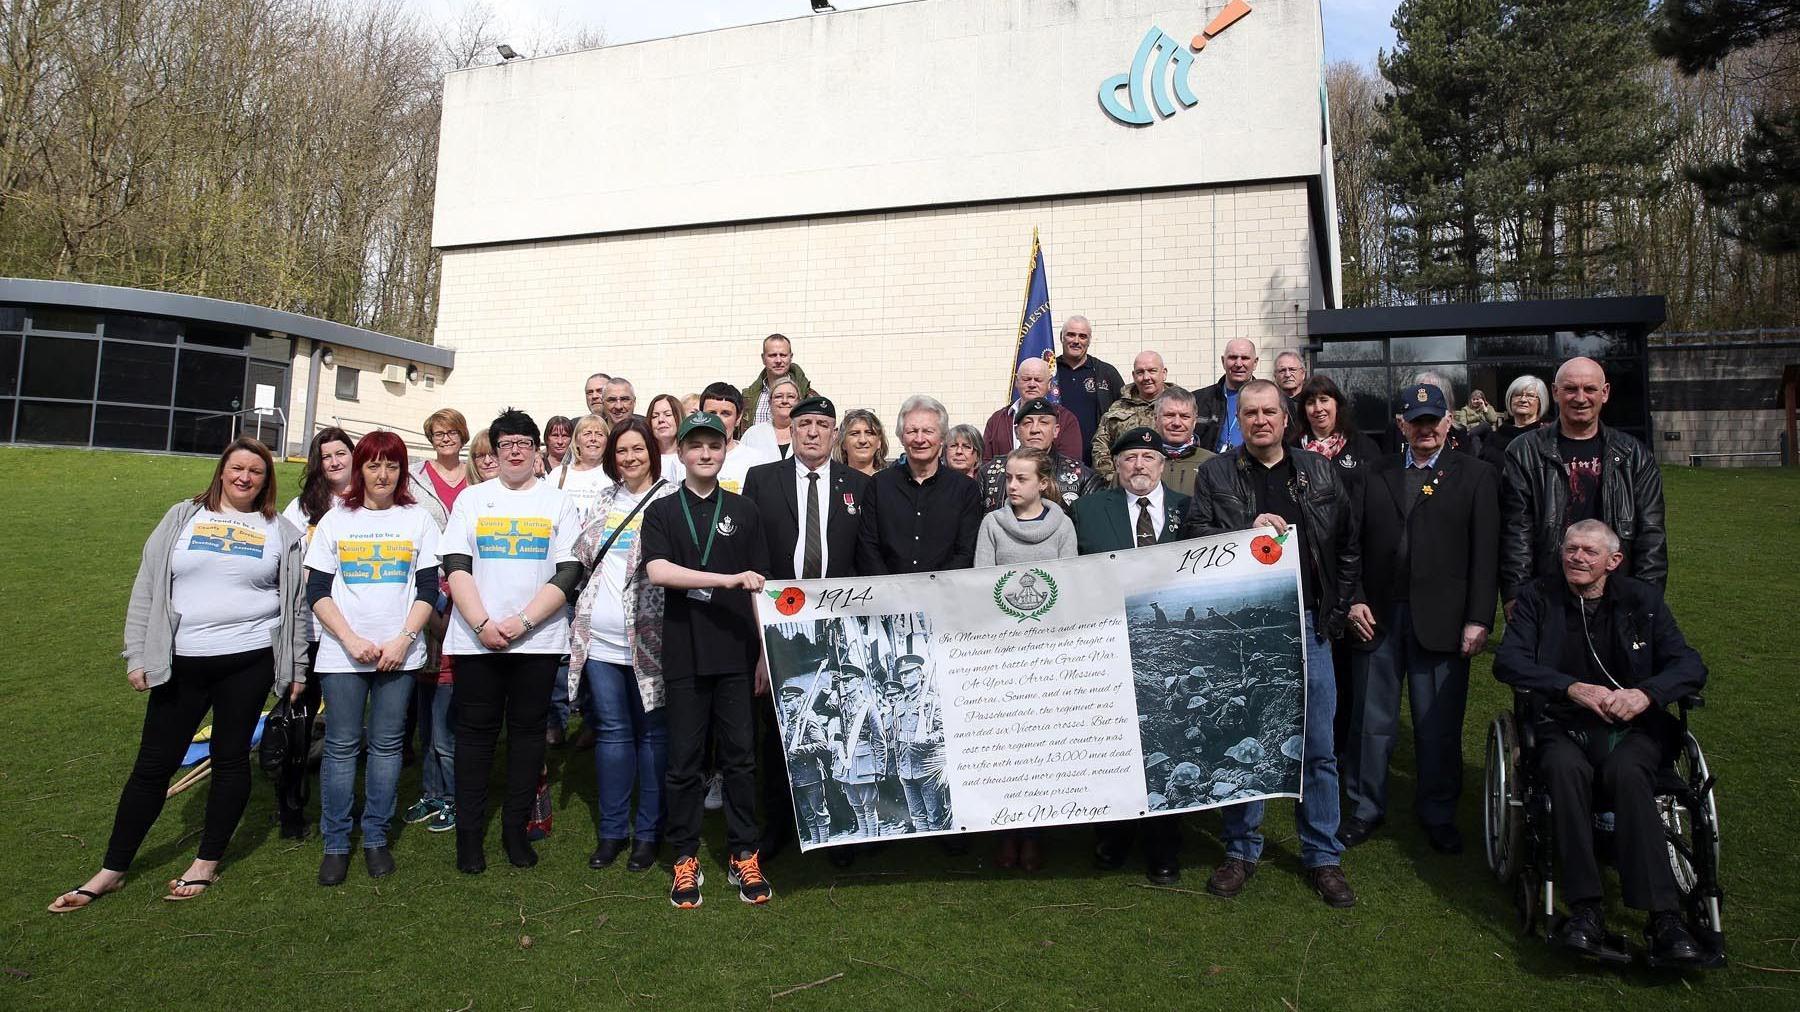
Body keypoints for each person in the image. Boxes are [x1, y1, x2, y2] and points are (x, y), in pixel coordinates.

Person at [50, 439, 309, 912]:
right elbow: (148, 585)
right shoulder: (183, 516)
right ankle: (113, 868)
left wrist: (295, 667)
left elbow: (295, 605)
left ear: (267, 480)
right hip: (181, 661)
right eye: (237, 468)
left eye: (256, 471)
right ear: (222, 471)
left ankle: (206, 862)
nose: (245, 477)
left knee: (231, 759)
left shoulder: (282, 531)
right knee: (153, 765)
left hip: (249, 660)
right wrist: (136, 655)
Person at [1493, 520, 1709, 966]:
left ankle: (1664, 917)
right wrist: (1570, 687)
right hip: (1563, 722)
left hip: (1633, 728)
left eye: (1590, 552)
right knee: (1563, 771)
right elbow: (1509, 661)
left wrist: (1645, 694)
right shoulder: (1539, 598)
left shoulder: (1642, 601)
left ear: (1613, 561)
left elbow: (1689, 664)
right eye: (1571, 549)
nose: (1577, 558)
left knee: (1628, 773)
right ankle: (1586, 911)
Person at [1180, 380, 1360, 909]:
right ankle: (1241, 849)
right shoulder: (1215, 474)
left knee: (1318, 745)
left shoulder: (1319, 471)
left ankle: (1323, 855)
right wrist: (1244, 527)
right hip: (1249, 626)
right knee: (1245, 730)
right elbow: (1193, 540)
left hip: (1308, 623)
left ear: (1286, 419)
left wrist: (1336, 608)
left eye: (1269, 412)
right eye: (1250, 413)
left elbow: (1348, 545)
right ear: (1240, 420)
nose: (1260, 420)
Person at [1339, 384, 1499, 855]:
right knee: (1370, 723)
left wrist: (1478, 619)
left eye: (1434, 420)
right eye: (1416, 421)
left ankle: (1437, 813)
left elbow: (1485, 556)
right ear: (1401, 425)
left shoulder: (1477, 475)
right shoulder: (1374, 472)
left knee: (1438, 725)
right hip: (1378, 618)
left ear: (1449, 423)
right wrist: (1356, 599)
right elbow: (1350, 544)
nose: (1425, 429)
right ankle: (1365, 809)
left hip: (1444, 621)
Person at [440, 408, 583, 874]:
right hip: (476, 641)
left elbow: (568, 571)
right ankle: (469, 838)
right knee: (475, 739)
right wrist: (483, 624)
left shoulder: (556, 503)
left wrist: (521, 622)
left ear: (537, 450)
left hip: (536, 642)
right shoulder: (472, 501)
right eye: (506, 444)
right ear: (494, 453)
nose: (515, 451)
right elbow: (456, 566)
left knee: (527, 739)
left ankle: (514, 831)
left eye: (524, 442)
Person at [641, 411, 774, 908]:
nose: (704, 454)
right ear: (680, 452)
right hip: (684, 651)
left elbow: (760, 586)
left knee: (741, 759)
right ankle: (684, 857)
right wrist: (725, 579)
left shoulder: (746, 509)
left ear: (724, 451)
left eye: (713, 446)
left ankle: (744, 853)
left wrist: (763, 654)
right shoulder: (663, 512)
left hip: (737, 650)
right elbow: (658, 572)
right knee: (684, 763)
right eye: (695, 445)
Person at [742, 395, 882, 860]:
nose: (813, 433)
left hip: (838, 621)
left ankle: (839, 828)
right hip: (780, 625)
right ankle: (777, 824)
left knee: (838, 727)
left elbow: (865, 561)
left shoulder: (857, 485)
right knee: (779, 731)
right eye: (805, 424)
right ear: (792, 429)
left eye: (823, 425)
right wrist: (761, 640)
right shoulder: (762, 480)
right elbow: (751, 557)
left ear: (834, 432)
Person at [304, 431, 441, 885]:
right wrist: (349, 639)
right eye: (373, 465)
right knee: (341, 748)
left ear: (402, 471)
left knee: (386, 748)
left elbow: (426, 591)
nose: (382, 475)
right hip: (344, 655)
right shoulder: (335, 521)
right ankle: (337, 842)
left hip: (398, 654)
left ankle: (377, 836)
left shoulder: (418, 520)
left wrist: (403, 640)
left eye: (392, 466)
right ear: (359, 469)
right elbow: (317, 590)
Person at [1070, 427, 1190, 883]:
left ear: (1163, 465)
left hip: (1167, 649)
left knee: (1165, 740)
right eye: (1129, 458)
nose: (1139, 465)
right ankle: (1112, 835)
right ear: (1115, 467)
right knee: (1111, 741)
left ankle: (1164, 846)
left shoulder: (1189, 510)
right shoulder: (1086, 511)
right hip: (1105, 645)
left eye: (1147, 457)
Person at [568, 417, 677, 874]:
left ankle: (648, 835)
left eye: (638, 449)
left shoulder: (673, 498)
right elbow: (582, 556)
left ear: (652, 451)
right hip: (601, 639)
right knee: (612, 734)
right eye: (621, 451)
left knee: (652, 735)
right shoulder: (604, 499)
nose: (630, 458)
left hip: (652, 638)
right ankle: (612, 832)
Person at [973, 446, 1076, 868]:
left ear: (1043, 483)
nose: (1011, 486)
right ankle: (1005, 831)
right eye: (1008, 479)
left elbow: (1071, 585)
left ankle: (1035, 832)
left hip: (1047, 652)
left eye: (1021, 479)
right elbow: (980, 584)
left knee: (1039, 746)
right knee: (1003, 746)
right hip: (1002, 651)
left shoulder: (1063, 526)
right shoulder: (991, 524)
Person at [1500, 357, 1666, 613]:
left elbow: (1651, 534)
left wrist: (1647, 596)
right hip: (1548, 594)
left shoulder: (1635, 456)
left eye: (1589, 389)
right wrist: (1516, 595)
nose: (1580, 398)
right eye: (1570, 389)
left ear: (1605, 393)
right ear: (1555, 392)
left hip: (1616, 593)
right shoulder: (1524, 452)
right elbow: (1516, 531)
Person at [274, 427, 355, 838]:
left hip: (348, 636)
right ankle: (290, 808)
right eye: (327, 456)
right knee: (298, 724)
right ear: (317, 463)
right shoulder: (301, 508)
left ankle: (339, 807)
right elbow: (287, 568)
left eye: (342, 453)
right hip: (308, 633)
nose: (336, 461)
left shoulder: (368, 504)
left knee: (344, 728)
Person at [405, 409, 469, 836]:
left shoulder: (479, 477)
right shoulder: (413, 477)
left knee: (448, 708)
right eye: (437, 433)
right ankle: (431, 790)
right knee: (426, 705)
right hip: (424, 589)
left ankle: (453, 796)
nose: (445, 439)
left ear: (463, 435)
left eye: (452, 432)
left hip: (464, 593)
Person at [865, 396, 982, 574]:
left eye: (928, 431)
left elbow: (965, 551)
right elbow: (869, 547)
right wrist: (890, 588)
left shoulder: (966, 490)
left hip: (944, 595)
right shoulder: (878, 485)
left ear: (942, 437)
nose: (919, 439)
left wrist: (933, 588)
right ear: (901, 437)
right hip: (888, 595)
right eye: (912, 431)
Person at [977, 397, 1104, 513]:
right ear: (1016, 431)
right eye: (1027, 423)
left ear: (1056, 430)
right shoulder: (989, 474)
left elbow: (1090, 529)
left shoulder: (1084, 478)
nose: (1035, 430)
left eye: (1044, 423)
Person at [1053, 315, 1125, 464]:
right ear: (1061, 337)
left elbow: (1125, 412)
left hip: (1097, 463)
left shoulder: (1106, 373)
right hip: (1054, 460)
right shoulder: (1049, 372)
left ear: (1089, 340)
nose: (1076, 341)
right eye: (1071, 335)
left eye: (1082, 336)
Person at [981, 356, 1084, 460]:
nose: (1032, 384)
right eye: (1027, 379)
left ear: (1049, 384)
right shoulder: (997, 420)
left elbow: (1071, 463)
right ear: (1016, 382)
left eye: (1038, 380)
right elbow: (986, 461)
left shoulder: (1066, 419)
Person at [1091, 351, 1169, 481]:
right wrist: (1112, 478)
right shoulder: (1118, 407)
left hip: (1167, 483)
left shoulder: (1178, 405)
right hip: (1124, 485)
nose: (1146, 377)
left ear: (1164, 373)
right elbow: (1100, 445)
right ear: (1134, 375)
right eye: (1140, 372)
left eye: (1152, 371)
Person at [1296, 375, 1383, 477]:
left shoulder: (1363, 445)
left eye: (1324, 400)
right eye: (1310, 403)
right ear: (1304, 410)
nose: (1318, 408)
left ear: (1337, 404)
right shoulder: (1293, 449)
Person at [698, 381, 776, 494]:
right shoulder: (686, 460)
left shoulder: (757, 461)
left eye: (725, 413)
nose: (718, 420)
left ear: (738, 419)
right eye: (712, 413)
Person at [741, 333, 822, 435]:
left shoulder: (809, 397)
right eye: (772, 355)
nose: (778, 360)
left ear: (790, 357)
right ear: (763, 358)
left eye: (783, 355)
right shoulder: (748, 398)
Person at [1194, 338, 1260, 453]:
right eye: (1233, 357)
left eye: (1245, 358)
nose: (1238, 364)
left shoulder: (1270, 400)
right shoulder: (1198, 400)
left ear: (1255, 363)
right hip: (1211, 467)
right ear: (1223, 361)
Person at [1152, 387, 1215, 495]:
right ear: (1156, 419)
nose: (1177, 423)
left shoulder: (1213, 464)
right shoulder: (1139, 462)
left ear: (1194, 421)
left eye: (1184, 416)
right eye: (1169, 415)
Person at [1480, 374, 1550, 472]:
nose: (1523, 400)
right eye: (1517, 395)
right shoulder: (1494, 437)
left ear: (1541, 402)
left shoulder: (1547, 437)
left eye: (1530, 396)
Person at [555, 414, 615, 522]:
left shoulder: (615, 475)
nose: (593, 439)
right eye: (587, 434)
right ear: (577, 441)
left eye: (599, 434)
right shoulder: (558, 474)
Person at [739, 375, 800, 460]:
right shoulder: (753, 434)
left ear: (798, 402)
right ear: (770, 402)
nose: (785, 401)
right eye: (778, 396)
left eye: (791, 396)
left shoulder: (807, 432)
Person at [834, 408, 889, 476]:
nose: (862, 440)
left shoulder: (889, 482)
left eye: (869, 433)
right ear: (843, 443)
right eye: (855, 434)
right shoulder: (831, 481)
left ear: (879, 442)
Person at [646, 393, 686, 482]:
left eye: (667, 415)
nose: (660, 420)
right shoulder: (645, 459)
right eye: (655, 416)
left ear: (678, 417)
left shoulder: (689, 457)